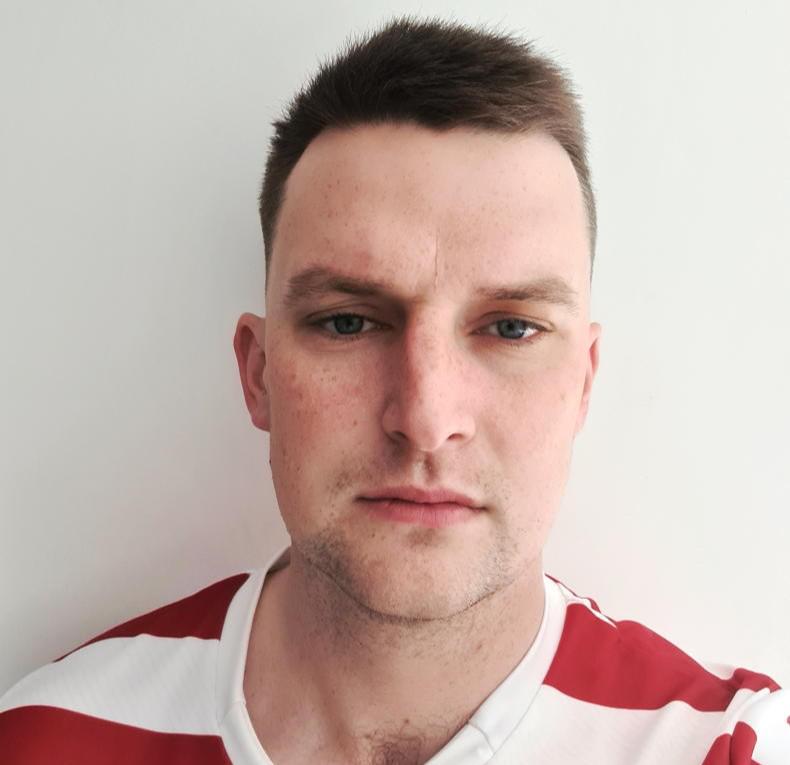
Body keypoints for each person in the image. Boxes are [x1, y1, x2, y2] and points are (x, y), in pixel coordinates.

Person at [0, 15, 787, 765]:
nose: (426, 417)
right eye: (348, 322)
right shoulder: (47, 741)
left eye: (512, 327)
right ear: (258, 372)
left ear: (583, 381)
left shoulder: (726, 748)